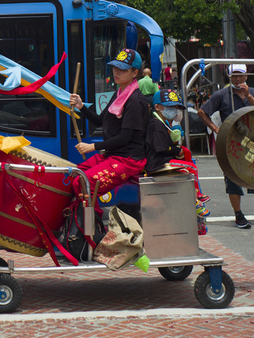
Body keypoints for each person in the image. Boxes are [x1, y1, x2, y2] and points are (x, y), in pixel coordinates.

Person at [198, 64, 254, 229]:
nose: (237, 79)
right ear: (229, 77)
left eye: (240, 75)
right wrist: (216, 128)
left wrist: (249, 97)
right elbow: (202, 112)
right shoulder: (222, 94)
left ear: (246, 76)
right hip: (232, 143)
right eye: (234, 76)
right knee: (233, 178)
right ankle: (238, 214)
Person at [69, 48, 150, 198]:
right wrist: (81, 107)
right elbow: (100, 121)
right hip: (113, 156)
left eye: (122, 69)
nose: (116, 72)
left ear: (134, 73)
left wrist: (92, 147)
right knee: (73, 174)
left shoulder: (135, 100)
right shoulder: (119, 94)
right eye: (115, 67)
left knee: (82, 184)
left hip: (128, 160)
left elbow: (124, 138)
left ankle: (92, 221)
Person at [145, 88, 210, 216]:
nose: (173, 110)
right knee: (190, 168)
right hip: (157, 163)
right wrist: (175, 150)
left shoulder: (163, 124)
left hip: (162, 160)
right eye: (169, 106)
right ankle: (195, 200)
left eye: (175, 107)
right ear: (157, 107)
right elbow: (161, 148)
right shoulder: (156, 124)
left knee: (189, 161)